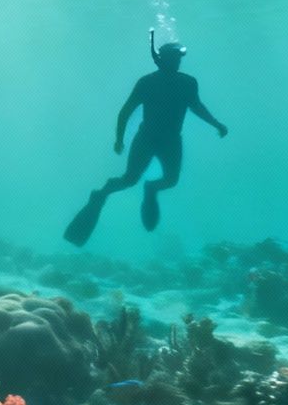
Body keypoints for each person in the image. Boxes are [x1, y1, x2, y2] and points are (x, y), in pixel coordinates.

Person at [64, 31, 228, 245]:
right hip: (148, 138)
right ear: (161, 60)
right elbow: (126, 111)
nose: (177, 62)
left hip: (169, 140)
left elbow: (196, 107)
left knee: (170, 180)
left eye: (178, 59)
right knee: (130, 179)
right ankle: (101, 195)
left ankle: (150, 189)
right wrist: (119, 139)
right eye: (173, 58)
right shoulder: (148, 82)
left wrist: (216, 123)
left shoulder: (187, 83)